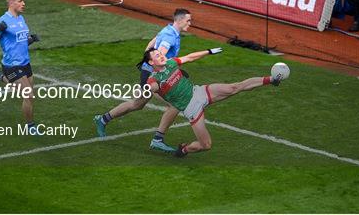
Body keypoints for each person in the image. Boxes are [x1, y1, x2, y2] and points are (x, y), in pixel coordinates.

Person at [138, 47, 283, 157]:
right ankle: (184, 149)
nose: (161, 56)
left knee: (234, 87)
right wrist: (147, 89)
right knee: (206, 145)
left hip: (199, 92)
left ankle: (271, 80)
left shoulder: (171, 63)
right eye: (157, 55)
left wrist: (208, 51)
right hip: (191, 109)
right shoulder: (154, 79)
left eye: (160, 53)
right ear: (151, 62)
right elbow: (150, 88)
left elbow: (189, 57)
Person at [94, 9, 193, 152]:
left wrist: (146, 64)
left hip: (149, 72)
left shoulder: (169, 30)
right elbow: (160, 58)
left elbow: (150, 45)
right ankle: (158, 140)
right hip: (154, 75)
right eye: (188, 20)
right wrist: (171, 70)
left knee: (137, 104)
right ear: (179, 20)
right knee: (175, 104)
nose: (190, 23)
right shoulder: (170, 37)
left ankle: (102, 119)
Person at [0, 0, 41, 134]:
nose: (24, 4)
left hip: (25, 63)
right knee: (28, 95)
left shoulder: (21, 19)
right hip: (12, 65)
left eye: (23, 1)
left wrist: (30, 40)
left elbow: (19, 43)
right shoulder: (3, 21)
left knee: (24, 93)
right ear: (11, 3)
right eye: (20, 1)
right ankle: (30, 127)